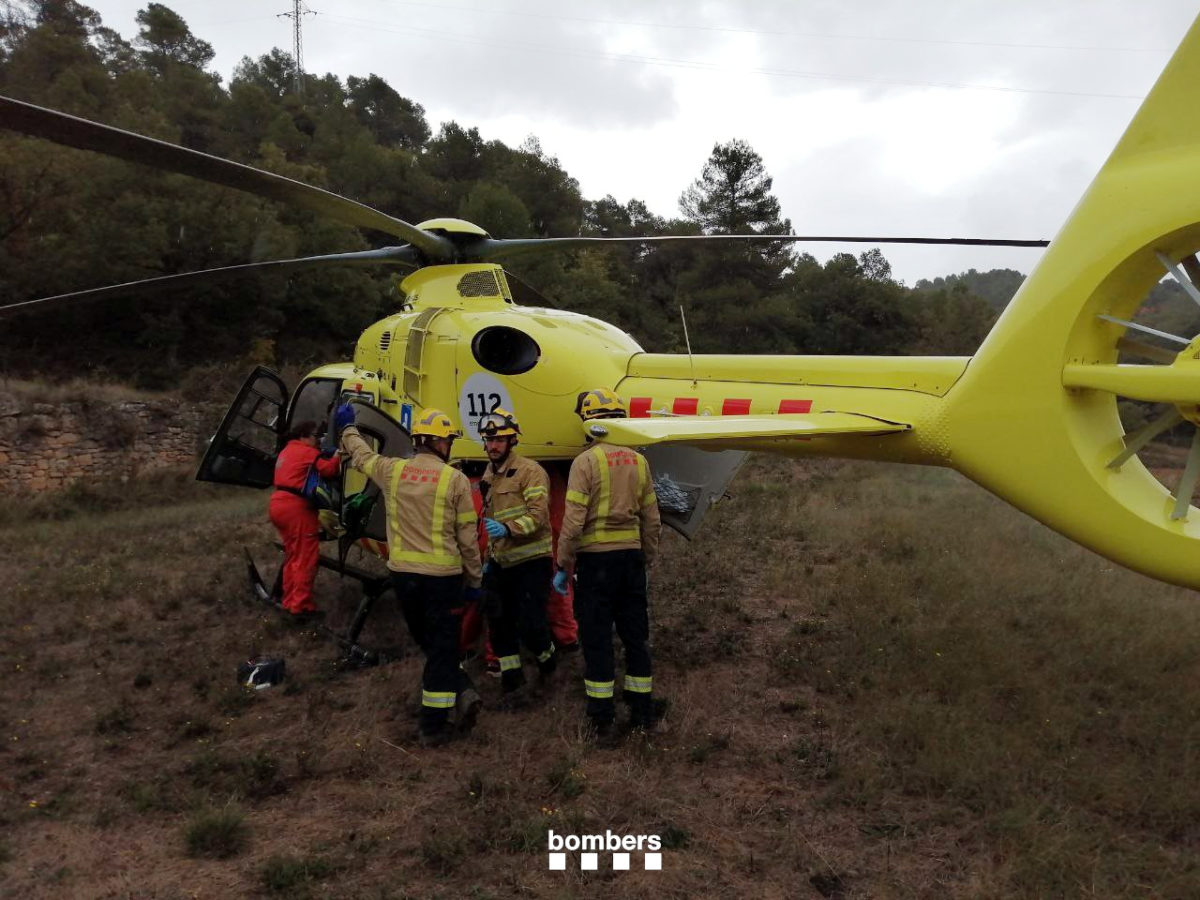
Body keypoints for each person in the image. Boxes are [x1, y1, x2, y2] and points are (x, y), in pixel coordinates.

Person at [337, 403, 484, 747]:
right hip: (443, 579)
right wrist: (475, 581)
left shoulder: (393, 471)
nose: (449, 447)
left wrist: (347, 429)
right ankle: (434, 726)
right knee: (443, 648)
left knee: (430, 643)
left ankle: (461, 690)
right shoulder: (455, 480)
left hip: (404, 578)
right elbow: (468, 538)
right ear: (437, 442)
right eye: (448, 441)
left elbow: (360, 456)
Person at [554, 388, 662, 740]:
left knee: (598, 639)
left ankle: (601, 719)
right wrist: (646, 559)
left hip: (596, 562)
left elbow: (572, 522)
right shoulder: (639, 461)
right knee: (635, 636)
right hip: (630, 560)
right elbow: (652, 519)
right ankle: (641, 710)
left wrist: (563, 564)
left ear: (588, 422)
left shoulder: (585, 463)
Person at [477, 408, 557, 698]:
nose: (493, 446)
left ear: (512, 441)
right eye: (489, 440)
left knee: (531, 624)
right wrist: (488, 561)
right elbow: (489, 517)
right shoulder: (490, 473)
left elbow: (538, 516)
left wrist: (508, 529)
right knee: (498, 623)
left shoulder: (530, 471)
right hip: (501, 562)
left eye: (499, 440)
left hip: (532, 562)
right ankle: (512, 682)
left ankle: (549, 662)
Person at [268, 419, 341, 617]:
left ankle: (289, 600)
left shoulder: (287, 451)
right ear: (303, 437)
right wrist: (337, 455)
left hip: (278, 504)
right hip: (297, 508)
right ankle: (301, 608)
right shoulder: (306, 451)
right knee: (305, 558)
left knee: (293, 555)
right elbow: (329, 470)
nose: (317, 441)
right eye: (314, 437)